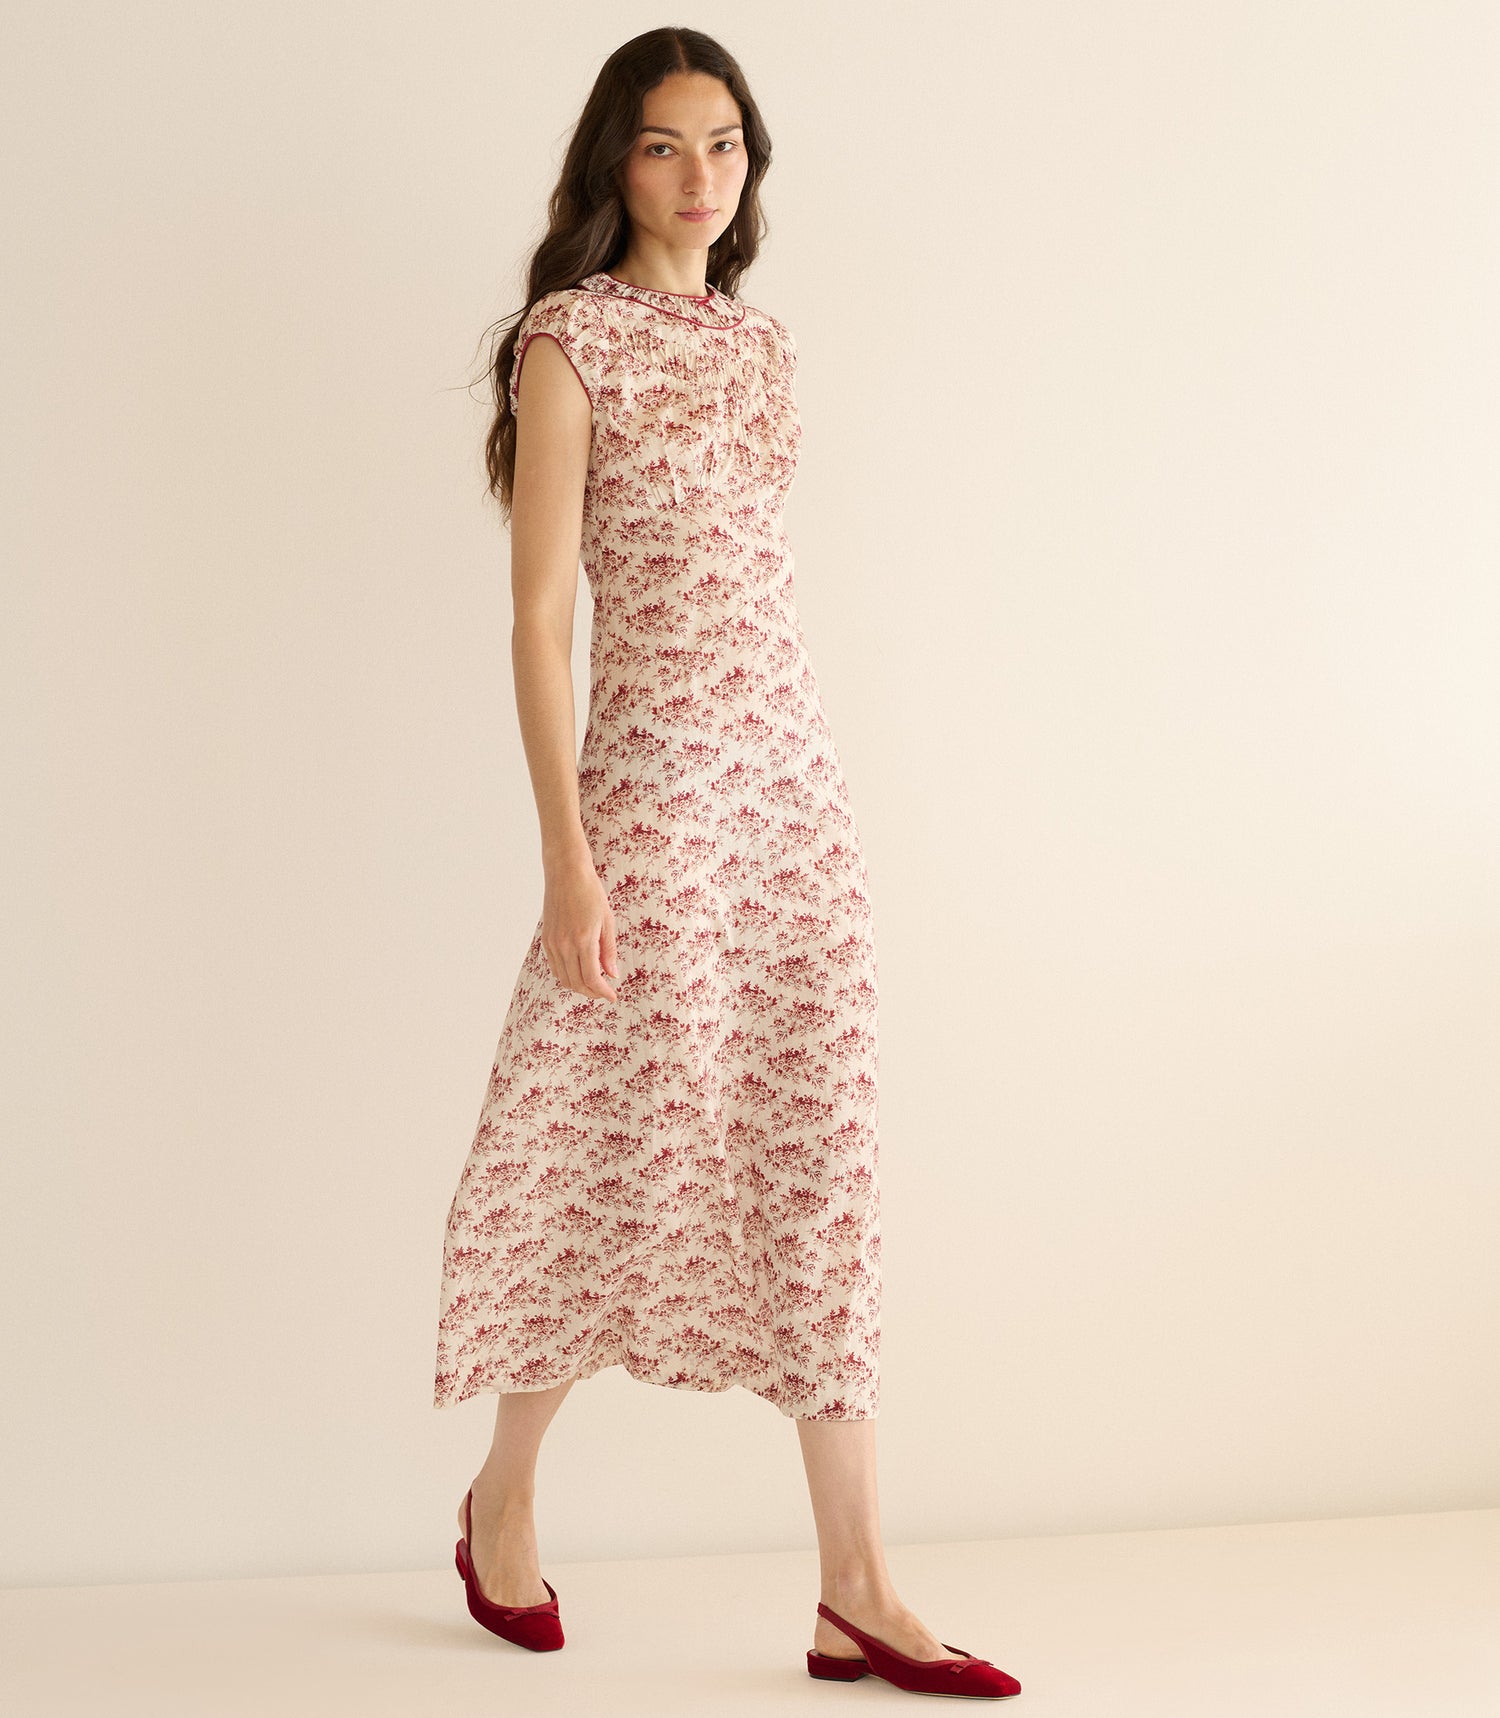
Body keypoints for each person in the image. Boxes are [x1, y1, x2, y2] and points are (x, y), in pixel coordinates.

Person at [434, 27, 1019, 1700]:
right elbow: (543, 620)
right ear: (611, 165)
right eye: (665, 147)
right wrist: (569, 853)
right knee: (583, 1128)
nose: (703, 178)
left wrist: (795, 789)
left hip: (792, 792)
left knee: (819, 1145)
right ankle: (503, 1493)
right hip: (651, 791)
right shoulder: (572, 341)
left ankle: (858, 1586)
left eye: (726, 145)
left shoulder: (759, 351)